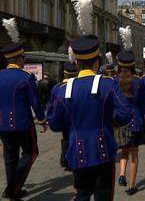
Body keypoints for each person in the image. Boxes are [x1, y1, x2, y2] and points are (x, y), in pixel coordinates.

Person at [48, 34, 133, 200]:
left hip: (77, 152)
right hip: (104, 151)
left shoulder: (62, 90)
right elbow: (125, 113)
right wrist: (111, 118)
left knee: (81, 195)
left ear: (77, 62)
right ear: (97, 61)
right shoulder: (108, 84)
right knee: (104, 196)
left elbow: (55, 124)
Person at [0, 31, 48, 200]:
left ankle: (14, 187)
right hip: (23, 123)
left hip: (3, 124)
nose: (24, 61)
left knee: (10, 157)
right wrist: (42, 120)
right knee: (30, 153)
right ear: (18, 59)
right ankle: (13, 188)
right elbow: (35, 102)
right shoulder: (26, 77)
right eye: (23, 58)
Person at [115, 51, 145, 196]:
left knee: (124, 149)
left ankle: (121, 174)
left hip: (120, 121)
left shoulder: (114, 81)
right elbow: (142, 103)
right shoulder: (139, 82)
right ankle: (132, 185)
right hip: (135, 120)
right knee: (134, 153)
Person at [46, 62, 79, 171]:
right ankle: (70, 160)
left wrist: (51, 118)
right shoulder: (78, 86)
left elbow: (50, 105)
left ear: (64, 74)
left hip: (62, 117)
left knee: (65, 137)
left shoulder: (57, 87)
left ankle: (65, 159)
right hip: (75, 117)